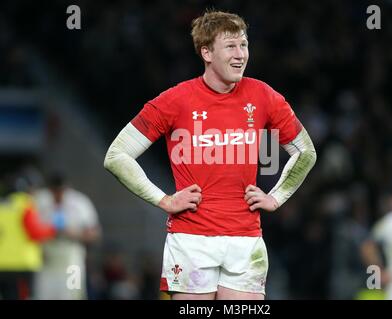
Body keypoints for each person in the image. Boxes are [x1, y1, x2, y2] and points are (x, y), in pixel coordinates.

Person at [104, 10, 316, 300]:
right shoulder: (174, 100)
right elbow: (116, 156)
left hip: (245, 240)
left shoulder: (264, 96)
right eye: (231, 46)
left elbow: (306, 151)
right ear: (206, 52)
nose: (241, 54)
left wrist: (276, 197)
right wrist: (164, 200)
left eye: (244, 45)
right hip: (191, 239)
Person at [32, 173, 101, 300]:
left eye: (60, 191)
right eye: (54, 191)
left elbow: (94, 233)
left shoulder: (79, 202)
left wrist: (75, 234)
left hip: (72, 259)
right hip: (46, 260)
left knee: (73, 295)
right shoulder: (40, 200)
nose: (57, 195)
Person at [0, 173, 61, 300]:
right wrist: (53, 228)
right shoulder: (24, 205)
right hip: (22, 265)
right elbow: (35, 233)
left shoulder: (2, 205)